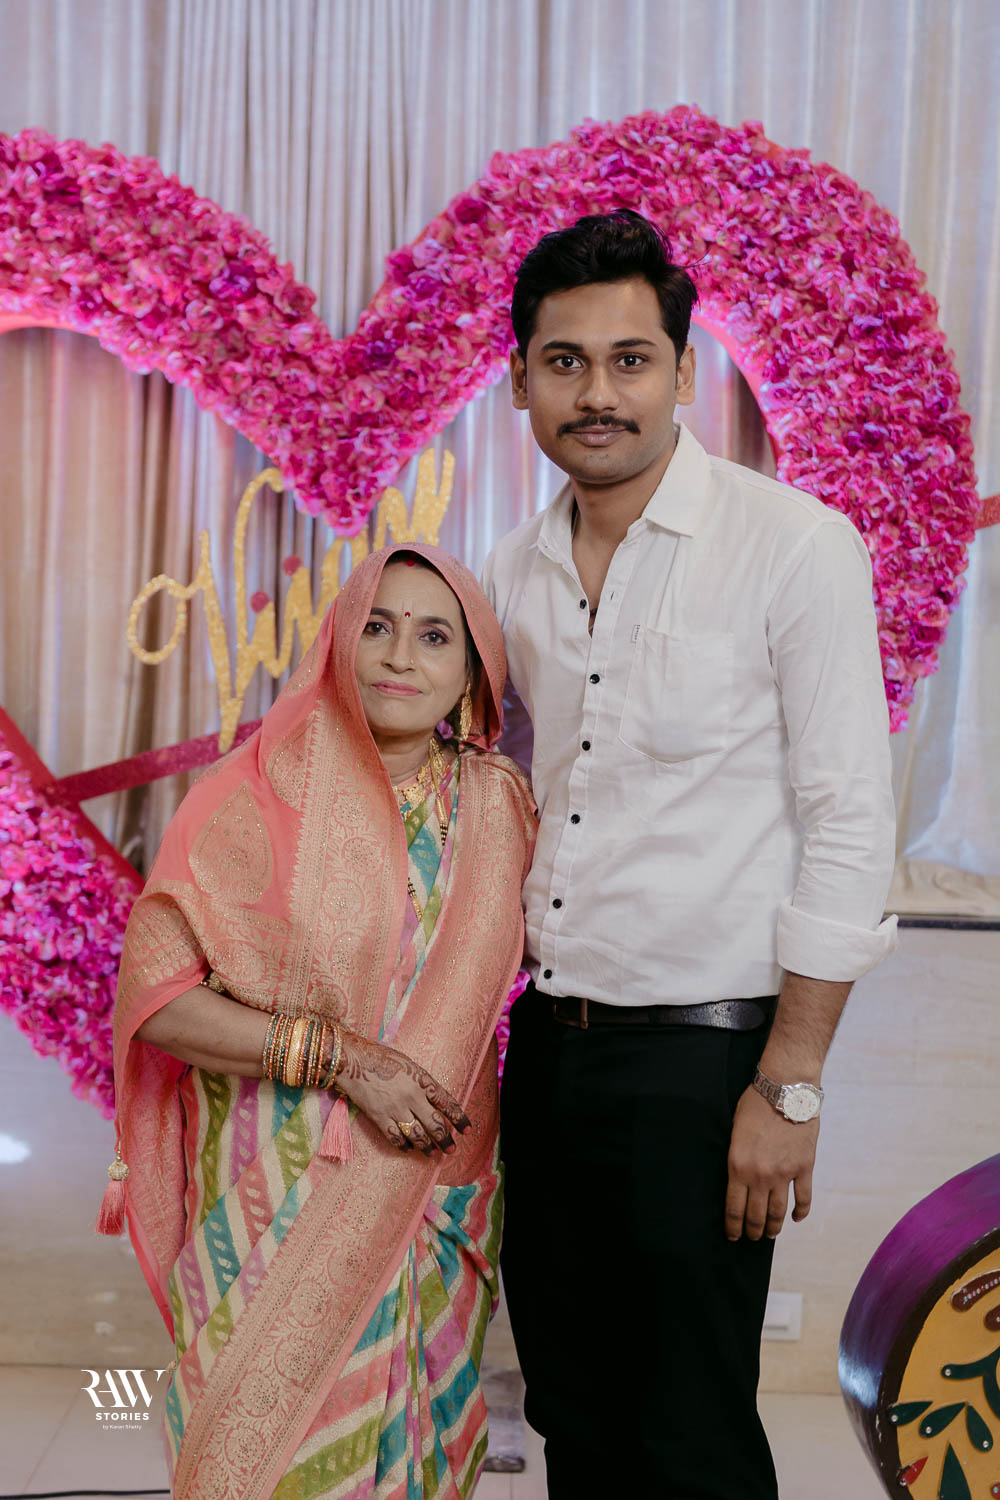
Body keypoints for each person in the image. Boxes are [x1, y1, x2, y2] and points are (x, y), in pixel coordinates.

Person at [483, 210, 898, 1498]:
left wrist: (789, 1088)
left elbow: (849, 823)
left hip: (705, 1062)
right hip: (550, 1050)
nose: (596, 394)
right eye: (564, 362)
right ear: (519, 380)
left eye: (630, 360)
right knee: (571, 1405)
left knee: (687, 1429)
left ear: (681, 373)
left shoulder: (793, 545)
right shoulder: (513, 571)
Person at [99, 543, 536, 1500]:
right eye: (376, 626)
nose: (400, 656)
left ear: (473, 670)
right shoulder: (251, 791)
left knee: (420, 1456)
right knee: (257, 1452)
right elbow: (158, 1001)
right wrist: (341, 1059)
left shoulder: (500, 807)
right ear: (338, 642)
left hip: (432, 1181)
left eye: (435, 636)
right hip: (268, 1184)